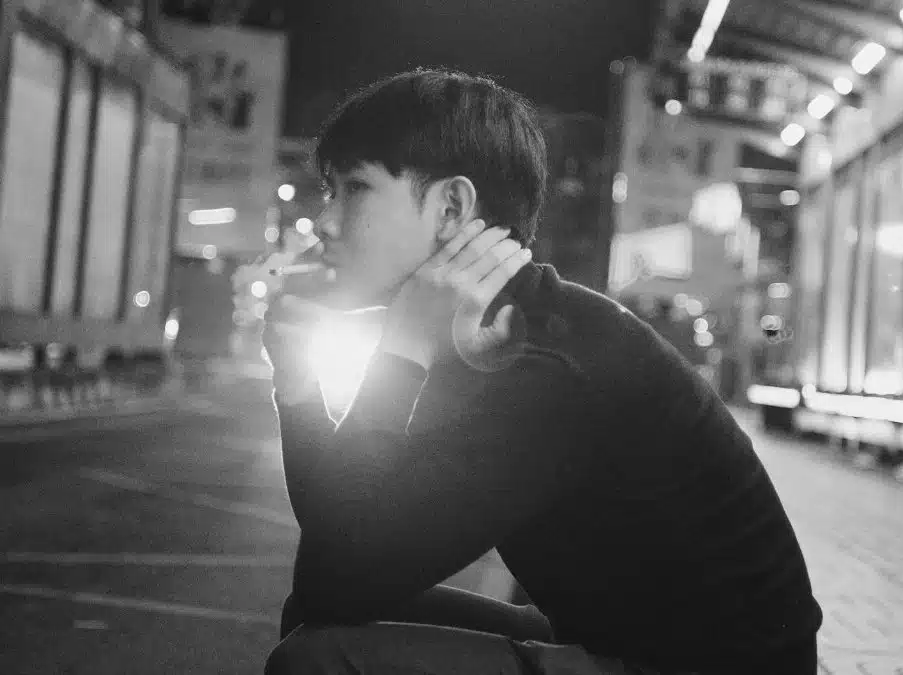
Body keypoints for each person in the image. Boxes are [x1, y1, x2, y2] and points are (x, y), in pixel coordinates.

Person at [262, 68, 822, 675]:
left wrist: (400, 347)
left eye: (356, 188)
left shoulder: (544, 358)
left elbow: (341, 574)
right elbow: (337, 552)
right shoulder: (497, 330)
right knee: (317, 622)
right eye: (329, 191)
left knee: (320, 663)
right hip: (627, 645)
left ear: (452, 207)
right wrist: (296, 391)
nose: (326, 220)